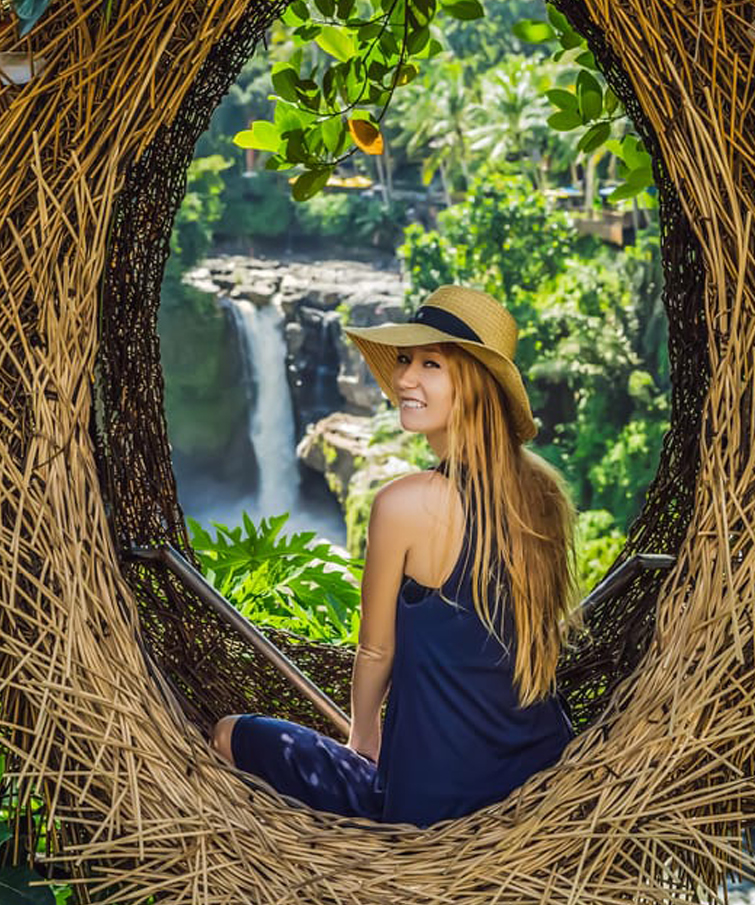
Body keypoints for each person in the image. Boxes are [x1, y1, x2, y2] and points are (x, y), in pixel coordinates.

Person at [209, 284, 580, 828]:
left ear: (474, 386)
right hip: (538, 777)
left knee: (228, 732)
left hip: (429, 805)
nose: (405, 378)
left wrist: (363, 737)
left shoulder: (405, 504)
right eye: (405, 359)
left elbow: (375, 651)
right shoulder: (544, 495)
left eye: (431, 364)